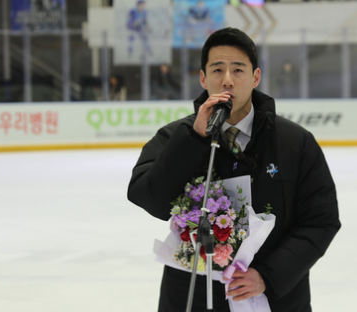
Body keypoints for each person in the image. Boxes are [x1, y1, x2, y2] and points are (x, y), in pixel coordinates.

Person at [127, 27, 341, 311]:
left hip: (276, 299)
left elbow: (320, 220)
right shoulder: (175, 137)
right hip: (193, 296)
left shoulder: (294, 143)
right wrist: (193, 140)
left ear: (256, 77)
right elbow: (150, 198)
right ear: (203, 78)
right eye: (217, 70)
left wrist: (268, 275)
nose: (227, 80)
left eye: (238, 70)